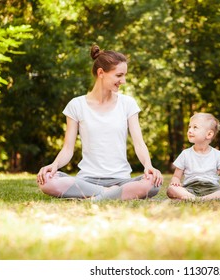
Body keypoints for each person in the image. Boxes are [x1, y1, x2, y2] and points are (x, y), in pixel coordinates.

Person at [37, 45, 163, 201]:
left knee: (153, 183)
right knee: (47, 181)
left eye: (124, 76)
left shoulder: (127, 104)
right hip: (87, 180)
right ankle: (112, 193)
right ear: (101, 73)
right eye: (119, 75)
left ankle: (97, 196)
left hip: (121, 179)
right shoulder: (76, 105)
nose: (123, 81)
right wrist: (54, 165)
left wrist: (148, 166)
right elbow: (68, 148)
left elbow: (139, 144)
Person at [167, 112, 220, 200]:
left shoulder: (217, 154)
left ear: (209, 134)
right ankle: (195, 198)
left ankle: (202, 199)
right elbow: (176, 176)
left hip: (212, 189)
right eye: (189, 127)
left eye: (195, 127)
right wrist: (175, 181)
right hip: (190, 188)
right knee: (171, 189)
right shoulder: (185, 154)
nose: (190, 130)